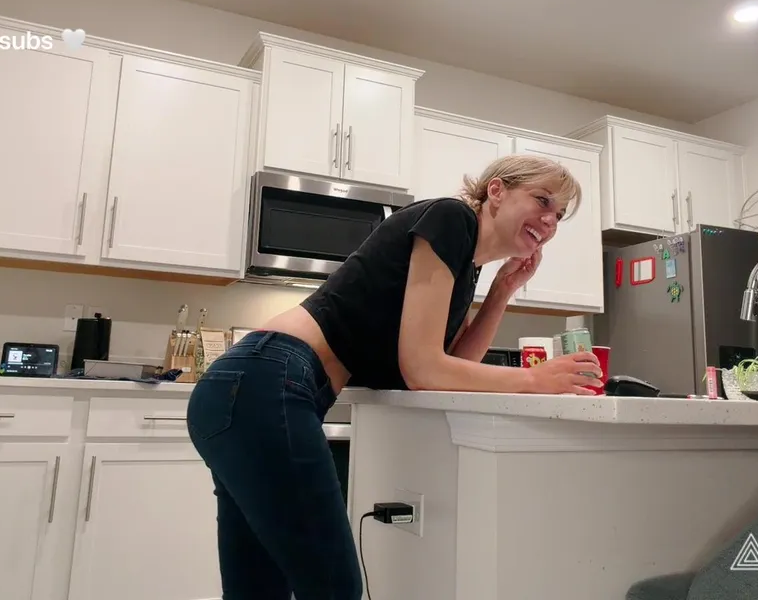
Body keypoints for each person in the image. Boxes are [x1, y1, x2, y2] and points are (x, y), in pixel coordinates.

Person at [186, 154, 601, 599]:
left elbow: (452, 368)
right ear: (496, 191)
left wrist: (501, 292)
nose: (550, 220)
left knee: (259, 589)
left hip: (245, 390)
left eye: (559, 215)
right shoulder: (452, 219)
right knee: (333, 587)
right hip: (265, 381)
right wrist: (533, 380)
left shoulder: (466, 266)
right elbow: (423, 369)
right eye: (542, 200)